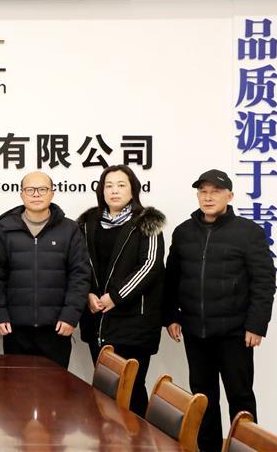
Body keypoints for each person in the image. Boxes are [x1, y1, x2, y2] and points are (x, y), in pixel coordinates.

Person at [164, 169, 276, 452]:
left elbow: (264, 282)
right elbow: (172, 279)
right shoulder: (184, 232)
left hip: (235, 333)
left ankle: (246, 448)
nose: (208, 197)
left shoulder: (248, 232)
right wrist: (171, 316)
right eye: (203, 191)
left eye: (215, 191)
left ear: (230, 196)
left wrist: (256, 325)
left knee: (240, 397)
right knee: (203, 397)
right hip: (195, 331)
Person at [77, 165, 166, 416]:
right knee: (104, 391)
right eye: (108, 185)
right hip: (97, 319)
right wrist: (88, 293)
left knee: (132, 388)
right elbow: (79, 263)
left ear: (133, 189)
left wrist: (116, 297)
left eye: (121, 185)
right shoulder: (88, 223)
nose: (114, 190)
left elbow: (150, 265)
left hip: (134, 322)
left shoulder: (147, 221)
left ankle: (138, 437)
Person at [0, 171, 90, 368]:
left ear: (52, 193)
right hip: (15, 329)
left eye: (42, 189)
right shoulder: (4, 230)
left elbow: (80, 276)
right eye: (30, 190)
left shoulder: (69, 229)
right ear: (21, 194)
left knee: (55, 385)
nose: (36, 194)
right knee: (16, 384)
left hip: (57, 328)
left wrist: (70, 316)